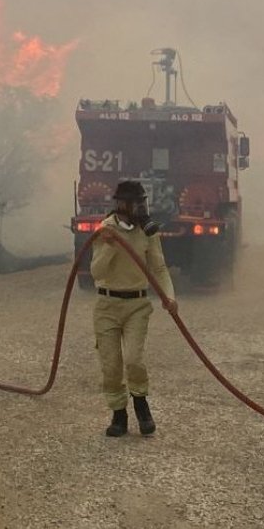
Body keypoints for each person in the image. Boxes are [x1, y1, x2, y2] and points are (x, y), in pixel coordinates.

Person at [90, 180, 177, 437]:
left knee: (134, 359)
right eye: (136, 203)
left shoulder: (147, 233)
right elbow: (97, 271)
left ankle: (141, 403)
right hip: (107, 304)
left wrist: (169, 297)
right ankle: (119, 414)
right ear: (121, 205)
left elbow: (159, 267)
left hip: (137, 304)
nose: (141, 208)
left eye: (143, 202)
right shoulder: (105, 231)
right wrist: (109, 246)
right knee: (111, 364)